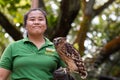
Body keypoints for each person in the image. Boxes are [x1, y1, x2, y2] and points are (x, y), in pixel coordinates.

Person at [0, 8, 66, 80]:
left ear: (46, 26)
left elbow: (68, 72)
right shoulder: (13, 47)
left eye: (40, 19)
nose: (36, 22)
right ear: (26, 26)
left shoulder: (57, 49)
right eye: (32, 19)